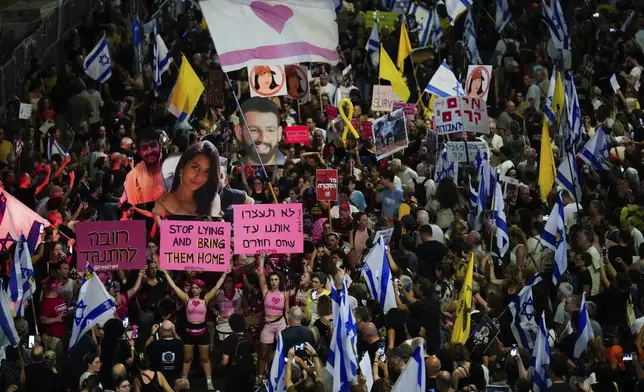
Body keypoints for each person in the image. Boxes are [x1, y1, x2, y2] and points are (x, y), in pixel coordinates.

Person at [163, 270, 230, 390]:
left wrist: (225, 274)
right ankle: (184, 381)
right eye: (193, 287)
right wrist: (166, 274)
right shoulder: (186, 298)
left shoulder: (206, 299)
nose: (194, 290)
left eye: (197, 288)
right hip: (189, 331)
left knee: (205, 358)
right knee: (187, 358)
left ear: (201, 289)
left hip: (202, 331)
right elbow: (173, 286)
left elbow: (217, 286)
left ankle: (209, 383)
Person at [153, 141, 221, 217]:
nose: (199, 177)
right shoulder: (162, 203)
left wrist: (178, 210)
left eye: (206, 171)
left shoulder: (212, 202)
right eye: (195, 168)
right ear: (182, 167)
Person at [258, 255, 289, 379]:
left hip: (280, 323)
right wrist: (261, 261)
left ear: (279, 281)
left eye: (276, 279)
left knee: (280, 352)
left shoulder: (284, 293)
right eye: (271, 280)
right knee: (264, 354)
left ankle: (279, 376)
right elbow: (261, 276)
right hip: (268, 325)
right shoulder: (266, 291)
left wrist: (289, 325)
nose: (274, 282)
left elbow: (286, 311)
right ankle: (260, 376)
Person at [235, 97, 285, 166]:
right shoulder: (232, 168)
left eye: (270, 130)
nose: (262, 139)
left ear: (279, 133)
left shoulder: (290, 165)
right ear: (239, 132)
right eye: (254, 130)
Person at [122, 128, 165, 206]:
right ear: (140, 153)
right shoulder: (133, 177)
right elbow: (126, 208)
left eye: (153, 145)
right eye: (144, 148)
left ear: (160, 146)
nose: (150, 151)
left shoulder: (171, 172)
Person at [221, 312, 256, 391]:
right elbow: (254, 355)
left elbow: (225, 362)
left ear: (231, 325)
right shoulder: (249, 337)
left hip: (233, 375)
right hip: (247, 373)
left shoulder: (229, 340)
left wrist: (220, 367)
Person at [146, 321, 184, 387]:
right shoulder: (179, 344)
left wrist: (152, 333)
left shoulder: (155, 344)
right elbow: (181, 342)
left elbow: (146, 347)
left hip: (158, 381)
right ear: (172, 330)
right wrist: (174, 331)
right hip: (175, 380)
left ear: (160, 330)